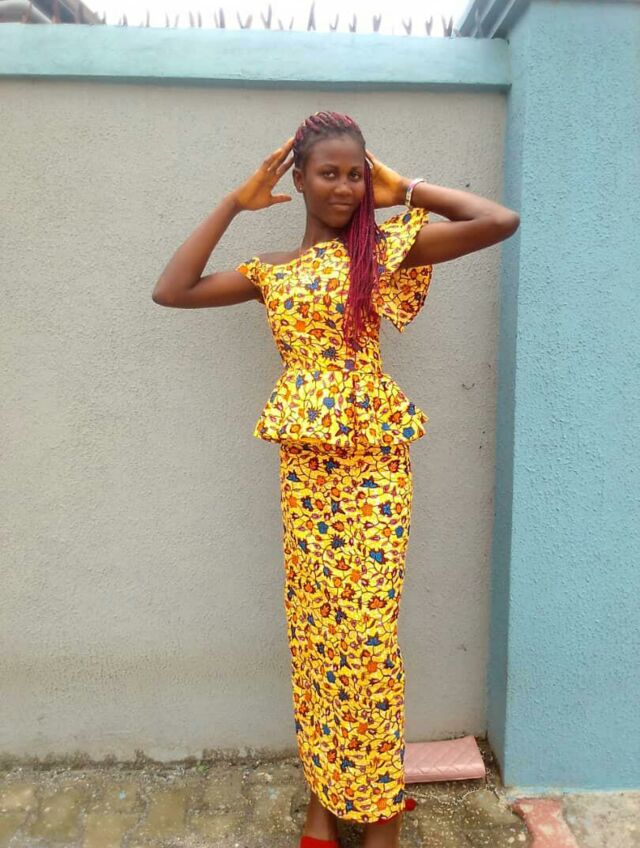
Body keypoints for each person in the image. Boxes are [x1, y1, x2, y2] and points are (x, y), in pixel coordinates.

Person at [152, 110, 519, 848]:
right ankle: (326, 799)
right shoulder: (272, 272)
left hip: (376, 465)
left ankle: (379, 812)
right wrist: (234, 202)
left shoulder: (384, 252)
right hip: (306, 470)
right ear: (298, 179)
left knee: (367, 639)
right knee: (318, 639)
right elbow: (173, 289)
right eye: (330, 173)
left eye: (357, 173)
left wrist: (405, 188)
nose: (346, 186)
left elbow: (497, 221)